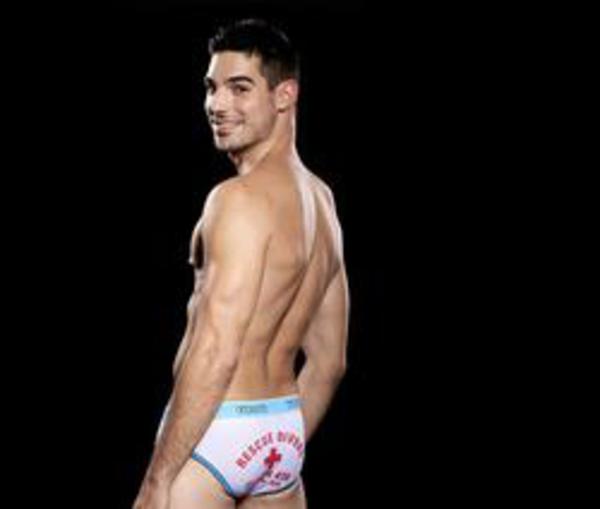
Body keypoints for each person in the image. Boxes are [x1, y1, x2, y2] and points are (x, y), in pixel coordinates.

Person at [133, 18, 349, 509]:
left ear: (284, 95)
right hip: (282, 434)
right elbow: (330, 362)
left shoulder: (236, 199)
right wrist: (277, 441)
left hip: (215, 431)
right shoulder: (323, 202)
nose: (217, 104)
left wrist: (158, 480)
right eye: (211, 88)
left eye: (240, 88)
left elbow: (216, 349)